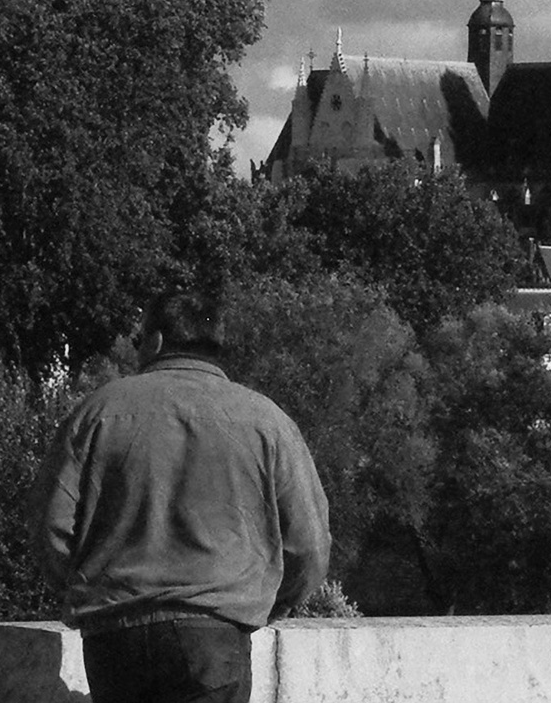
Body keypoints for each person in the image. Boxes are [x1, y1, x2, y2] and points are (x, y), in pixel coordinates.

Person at [32, 289, 331, 703]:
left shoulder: (98, 412)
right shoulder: (268, 423)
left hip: (116, 638)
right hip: (214, 639)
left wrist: (89, 589)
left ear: (154, 342)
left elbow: (52, 526)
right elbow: (310, 548)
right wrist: (253, 604)